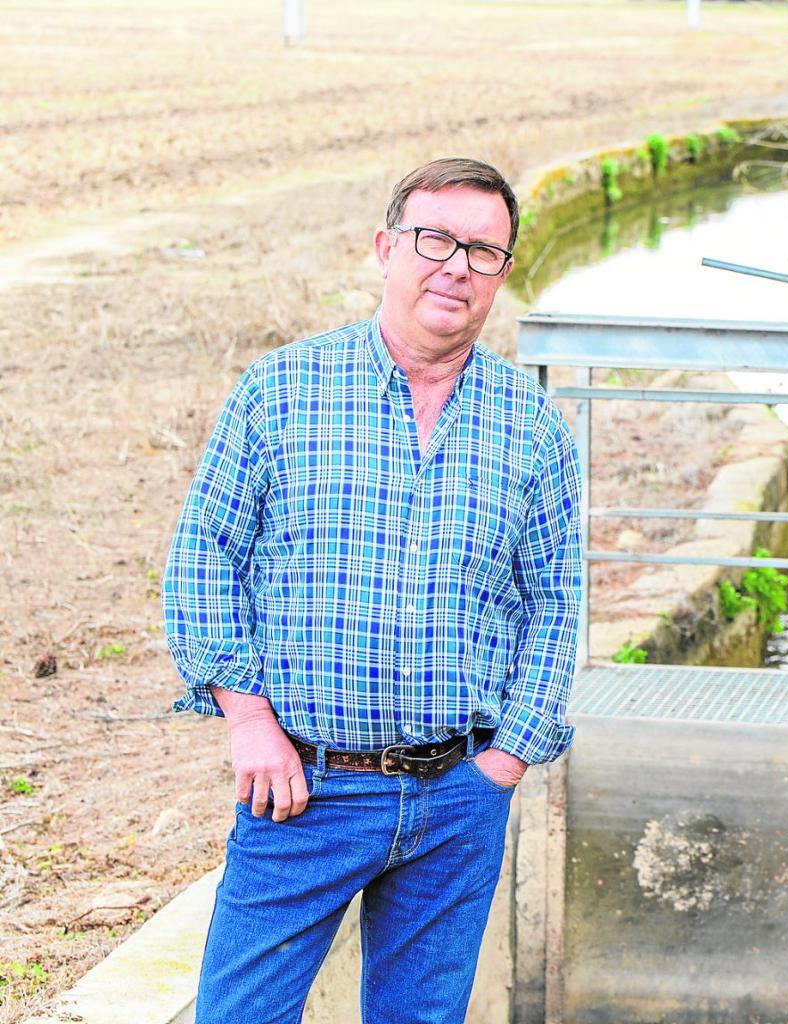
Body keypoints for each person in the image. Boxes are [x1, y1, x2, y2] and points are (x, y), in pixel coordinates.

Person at [163, 157, 582, 1024]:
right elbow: (204, 558)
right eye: (435, 240)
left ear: (502, 273)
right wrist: (248, 721)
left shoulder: (532, 424)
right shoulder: (282, 390)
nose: (456, 267)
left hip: (458, 795)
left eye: (484, 251)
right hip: (302, 790)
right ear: (385, 248)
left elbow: (555, 602)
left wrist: (505, 761)